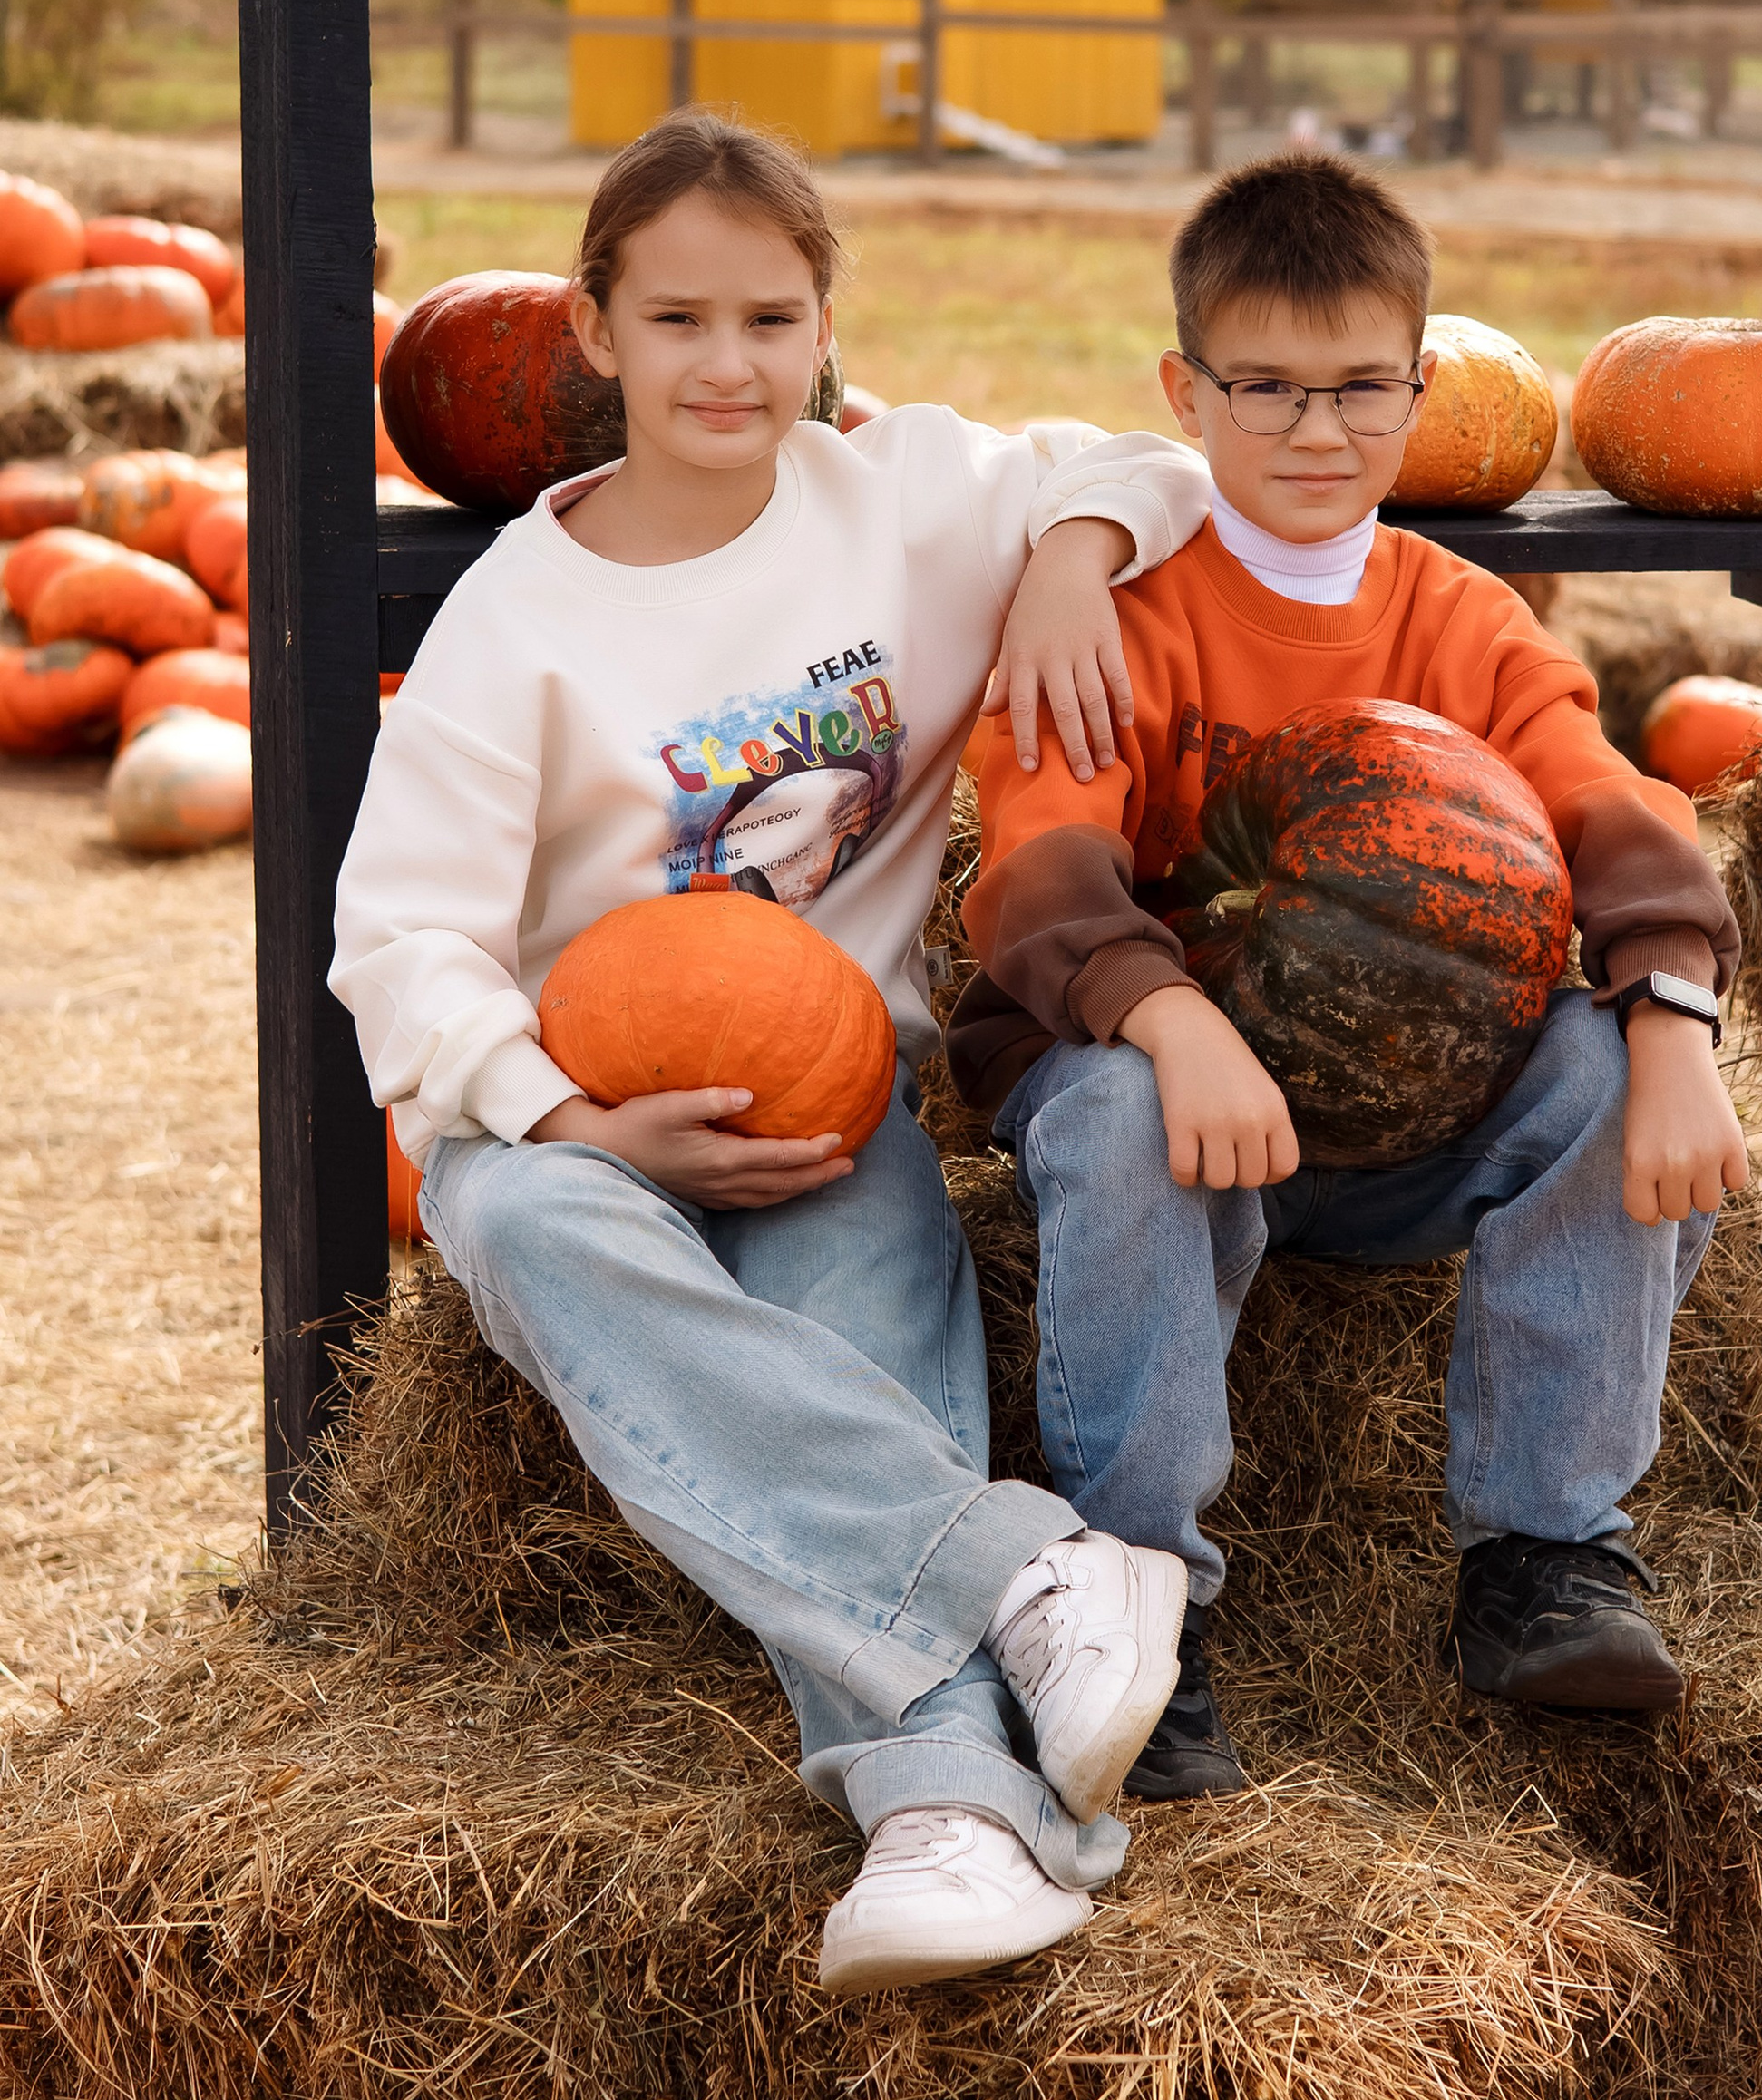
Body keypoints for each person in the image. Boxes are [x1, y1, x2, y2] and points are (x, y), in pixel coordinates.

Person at [331, 109, 1212, 1992]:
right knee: (533, 1233)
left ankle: (946, 1818)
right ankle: (1031, 1584)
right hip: (576, 1096)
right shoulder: (522, 615)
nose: (724, 365)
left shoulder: (900, 497)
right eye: (675, 322)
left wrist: (1066, 551)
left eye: (767, 318)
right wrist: (572, 1114)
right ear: (592, 331)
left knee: (860, 1303)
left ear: (824, 326)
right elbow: (399, 937)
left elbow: (1152, 458)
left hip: (826, 1086)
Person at [947, 152, 1748, 1799]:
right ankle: (1133, 1606)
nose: (1320, 433)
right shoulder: (1118, 618)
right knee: (1109, 1112)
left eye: (1361, 390)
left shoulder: (1463, 622)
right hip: (1159, 1082)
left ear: (1421, 386)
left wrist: (1672, 1012)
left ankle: (1546, 1559)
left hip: (1401, 1117)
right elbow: (1034, 863)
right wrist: (1172, 1017)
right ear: (1186, 391)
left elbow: (1602, 799)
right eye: (1269, 391)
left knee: (1598, 1070)